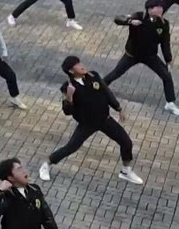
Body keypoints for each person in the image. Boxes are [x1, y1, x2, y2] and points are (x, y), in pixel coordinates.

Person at [38, 56, 144, 184]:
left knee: (126, 142)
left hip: (105, 119)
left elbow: (106, 92)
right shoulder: (68, 87)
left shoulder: (93, 76)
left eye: (80, 62)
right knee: (71, 147)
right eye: (77, 65)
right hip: (87, 124)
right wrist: (70, 97)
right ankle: (47, 164)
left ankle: (125, 171)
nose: (82, 65)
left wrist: (118, 107)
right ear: (71, 71)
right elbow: (67, 111)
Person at [103, 0, 179, 116]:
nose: (161, 10)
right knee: (115, 73)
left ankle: (170, 103)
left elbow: (165, 43)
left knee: (166, 75)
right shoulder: (138, 16)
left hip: (150, 56)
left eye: (161, 7)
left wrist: (168, 60)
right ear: (149, 9)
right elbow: (117, 19)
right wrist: (129, 21)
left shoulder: (163, 24)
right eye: (157, 7)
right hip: (132, 55)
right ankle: (100, 89)